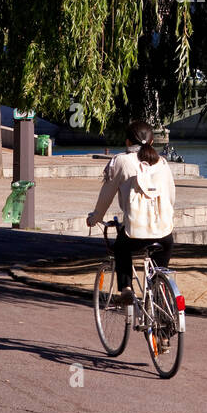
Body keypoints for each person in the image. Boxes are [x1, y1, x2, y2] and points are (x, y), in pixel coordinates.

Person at [86, 120, 175, 306]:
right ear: (152, 142)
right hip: (165, 233)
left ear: (127, 142)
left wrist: (95, 218)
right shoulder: (163, 163)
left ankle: (126, 289)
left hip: (135, 231)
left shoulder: (121, 161)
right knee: (159, 275)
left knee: (121, 248)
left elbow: (106, 197)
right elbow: (170, 198)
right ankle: (164, 325)